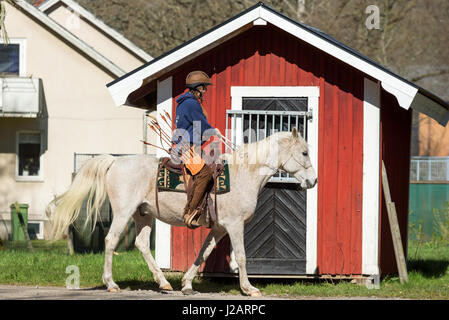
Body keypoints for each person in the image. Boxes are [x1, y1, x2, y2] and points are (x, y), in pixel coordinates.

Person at [172, 70, 221, 229]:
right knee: (205, 173)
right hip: (187, 148)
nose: (205, 91)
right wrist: (213, 131)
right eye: (204, 88)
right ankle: (191, 211)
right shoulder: (192, 104)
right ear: (197, 88)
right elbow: (201, 123)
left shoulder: (184, 103)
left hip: (189, 146)